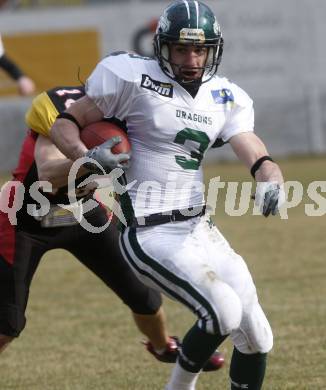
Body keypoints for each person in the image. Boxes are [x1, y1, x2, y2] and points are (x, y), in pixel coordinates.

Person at [48, 1, 285, 389]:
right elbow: (66, 123)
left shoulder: (226, 96)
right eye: (181, 49)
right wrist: (87, 157)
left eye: (199, 49)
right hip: (149, 231)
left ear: (213, 50)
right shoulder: (132, 78)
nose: (191, 58)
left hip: (201, 230)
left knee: (258, 337)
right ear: (163, 47)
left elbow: (253, 148)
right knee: (222, 311)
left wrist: (269, 176)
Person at [0, 84, 223, 373]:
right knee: (8, 324)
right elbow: (48, 173)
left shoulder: (128, 109)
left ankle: (163, 346)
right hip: (24, 216)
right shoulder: (58, 109)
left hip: (83, 210)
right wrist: (88, 162)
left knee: (143, 295)